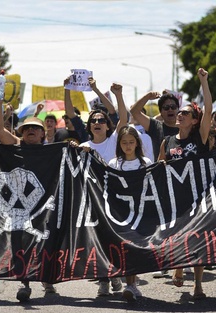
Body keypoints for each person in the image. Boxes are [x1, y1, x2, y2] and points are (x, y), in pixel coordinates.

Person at [0, 91, 57, 302]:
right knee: (19, 246)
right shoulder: (16, 146)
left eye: (35, 129)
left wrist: (74, 148)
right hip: (19, 211)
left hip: (45, 209)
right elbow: (0, 131)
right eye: (27, 128)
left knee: (46, 245)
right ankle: (24, 282)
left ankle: (48, 281)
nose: (30, 131)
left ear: (42, 135)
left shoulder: (53, 151)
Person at [158, 68, 212, 300]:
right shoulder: (167, 141)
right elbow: (158, 168)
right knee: (178, 237)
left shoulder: (199, 137)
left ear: (195, 120)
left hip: (198, 197)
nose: (179, 115)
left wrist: (203, 81)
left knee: (197, 239)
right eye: (178, 112)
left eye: (185, 113)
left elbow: (209, 108)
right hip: (175, 200)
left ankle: (198, 285)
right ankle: (179, 265)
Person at [76, 78, 127, 296]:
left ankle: (115, 276)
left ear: (108, 125)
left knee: (114, 239)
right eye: (93, 120)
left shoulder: (115, 140)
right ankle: (104, 281)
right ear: (89, 127)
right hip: (92, 200)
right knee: (97, 240)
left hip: (115, 198)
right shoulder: (82, 147)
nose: (97, 122)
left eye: (101, 119)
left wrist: (115, 94)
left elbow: (123, 117)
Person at [108, 126, 152, 302]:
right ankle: (124, 280)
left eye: (131, 142)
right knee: (123, 248)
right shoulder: (114, 163)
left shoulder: (146, 163)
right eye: (124, 142)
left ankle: (131, 285)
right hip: (120, 212)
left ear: (137, 143)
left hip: (140, 212)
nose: (128, 146)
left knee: (134, 248)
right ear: (119, 144)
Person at [130, 90, 179, 161]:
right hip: (162, 170)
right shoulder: (155, 126)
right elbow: (134, 112)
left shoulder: (186, 127)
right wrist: (147, 96)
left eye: (173, 107)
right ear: (160, 112)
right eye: (166, 107)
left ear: (178, 110)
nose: (170, 110)